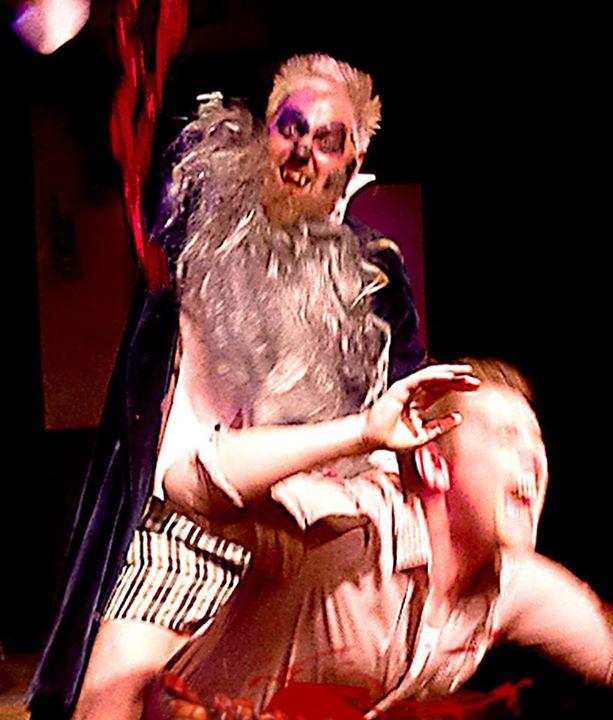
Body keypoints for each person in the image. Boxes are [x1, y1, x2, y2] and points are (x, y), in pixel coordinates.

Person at [27, 54, 424, 720]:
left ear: (353, 163)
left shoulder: (376, 279)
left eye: (328, 139)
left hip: (300, 545)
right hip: (185, 529)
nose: (303, 150)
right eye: (290, 128)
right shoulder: (200, 226)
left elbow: (399, 411)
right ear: (264, 134)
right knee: (107, 703)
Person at [142, 357, 613, 719]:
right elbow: (188, 484)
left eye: (538, 442)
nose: (535, 460)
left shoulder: (510, 585)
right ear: (435, 465)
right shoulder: (354, 530)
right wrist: (362, 432)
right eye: (508, 437)